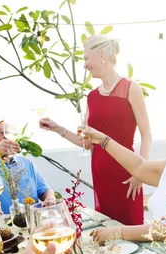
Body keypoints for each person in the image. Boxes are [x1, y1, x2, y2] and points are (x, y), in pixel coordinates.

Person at [40, 34, 153, 225]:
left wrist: (139, 174)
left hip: (127, 174)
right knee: (107, 230)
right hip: (101, 175)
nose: (84, 65)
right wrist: (57, 128)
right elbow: (85, 142)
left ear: (101, 55)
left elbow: (146, 134)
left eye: (85, 58)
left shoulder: (131, 88)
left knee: (131, 228)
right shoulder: (91, 97)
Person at [0, 116, 55, 214]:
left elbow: (44, 189)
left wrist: (49, 198)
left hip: (32, 221)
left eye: (6, 130)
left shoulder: (25, 162)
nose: (6, 135)